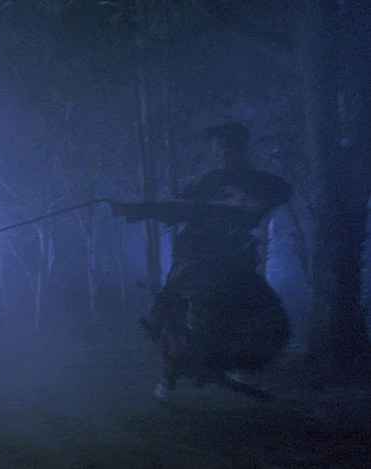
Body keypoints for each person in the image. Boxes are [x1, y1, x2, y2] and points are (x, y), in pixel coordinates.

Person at [112, 122, 292, 399]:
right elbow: (176, 207)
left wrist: (251, 201)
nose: (221, 155)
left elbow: (282, 190)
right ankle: (168, 377)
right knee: (185, 313)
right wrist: (135, 210)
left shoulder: (259, 181)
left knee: (259, 314)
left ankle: (234, 365)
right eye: (218, 150)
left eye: (227, 149)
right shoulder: (208, 182)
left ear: (242, 149)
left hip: (235, 260)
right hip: (197, 257)